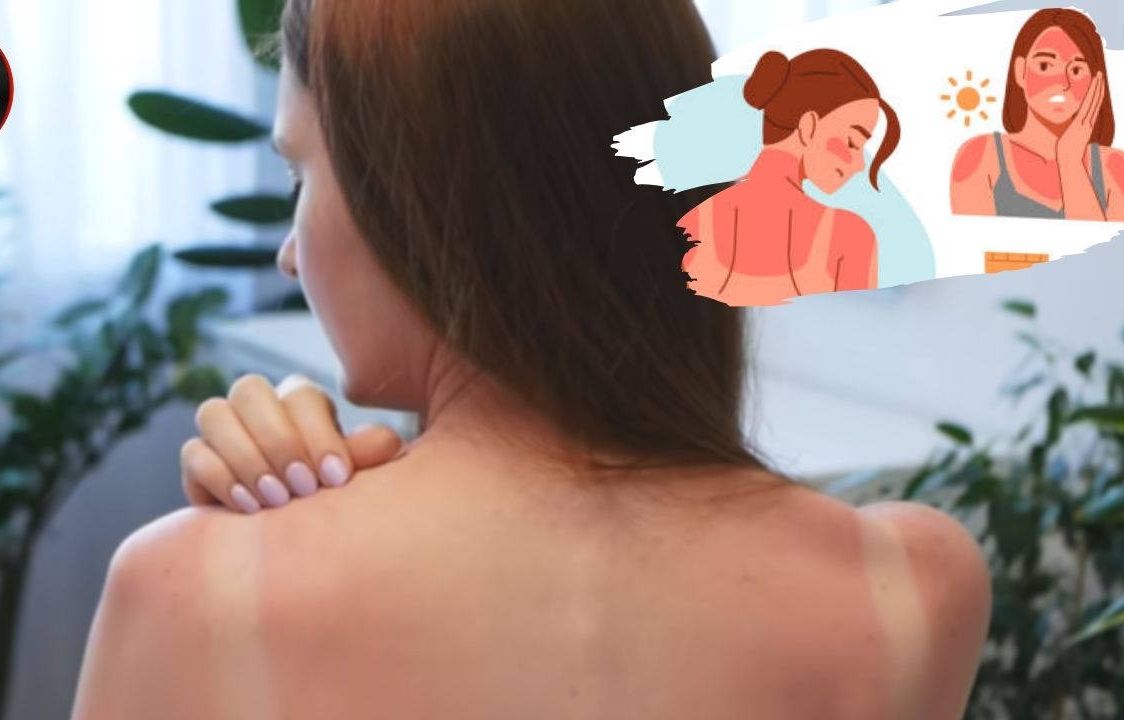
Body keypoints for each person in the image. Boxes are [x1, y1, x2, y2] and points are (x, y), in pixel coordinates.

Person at [72, 1, 990, 718]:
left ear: (419, 195)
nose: (288, 253)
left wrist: (244, 552)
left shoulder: (195, 589)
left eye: (298, 173)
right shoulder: (907, 588)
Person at [680, 49, 900, 307]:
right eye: (852, 142)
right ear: (808, 127)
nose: (860, 164)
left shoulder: (695, 218)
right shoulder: (851, 237)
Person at [951, 8, 1124, 222]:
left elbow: (1101, 244)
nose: (1063, 83)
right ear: (1020, 71)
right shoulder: (979, 156)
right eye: (1044, 66)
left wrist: (1070, 160)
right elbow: (971, 241)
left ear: (1096, 81)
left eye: (1077, 70)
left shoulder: (1115, 167)